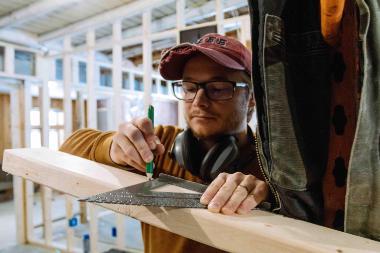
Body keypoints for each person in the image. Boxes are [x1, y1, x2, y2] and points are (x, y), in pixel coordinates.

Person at [60, 33, 276, 253]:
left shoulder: (276, 166)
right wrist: (113, 147)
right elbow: (67, 148)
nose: (198, 102)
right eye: (190, 88)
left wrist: (273, 199)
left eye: (218, 88)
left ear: (251, 97)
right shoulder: (159, 143)